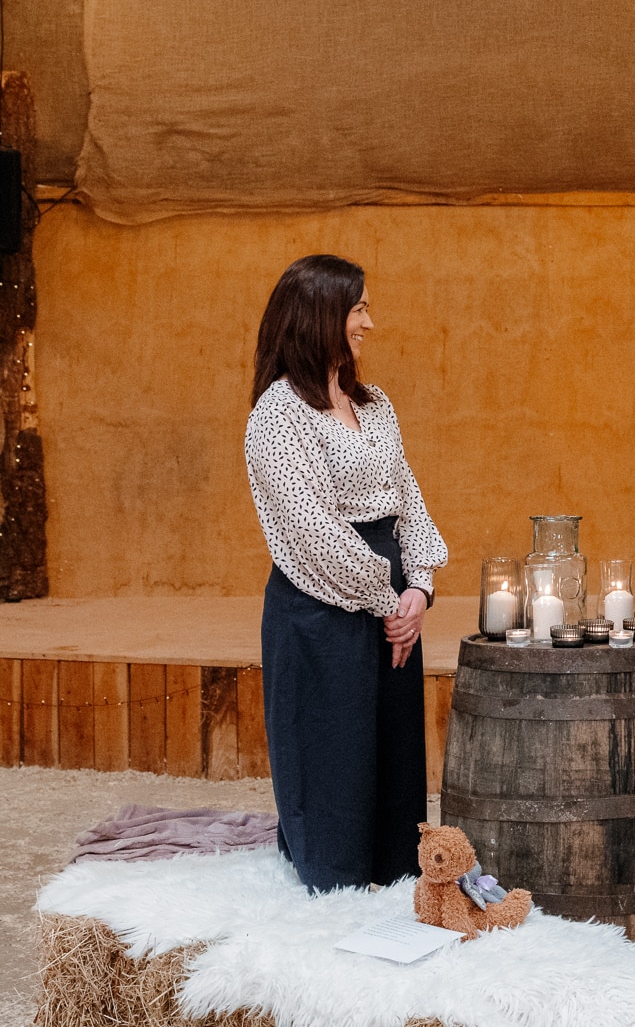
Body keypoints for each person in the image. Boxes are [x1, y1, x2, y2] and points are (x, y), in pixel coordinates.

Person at [245, 254, 444, 892]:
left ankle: (392, 881)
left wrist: (418, 589)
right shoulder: (277, 416)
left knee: (390, 757)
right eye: (358, 309)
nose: (369, 323)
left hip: (391, 610)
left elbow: (406, 497)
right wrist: (386, 599)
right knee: (332, 756)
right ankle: (332, 883)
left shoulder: (374, 403)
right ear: (322, 315)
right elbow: (311, 529)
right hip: (321, 611)